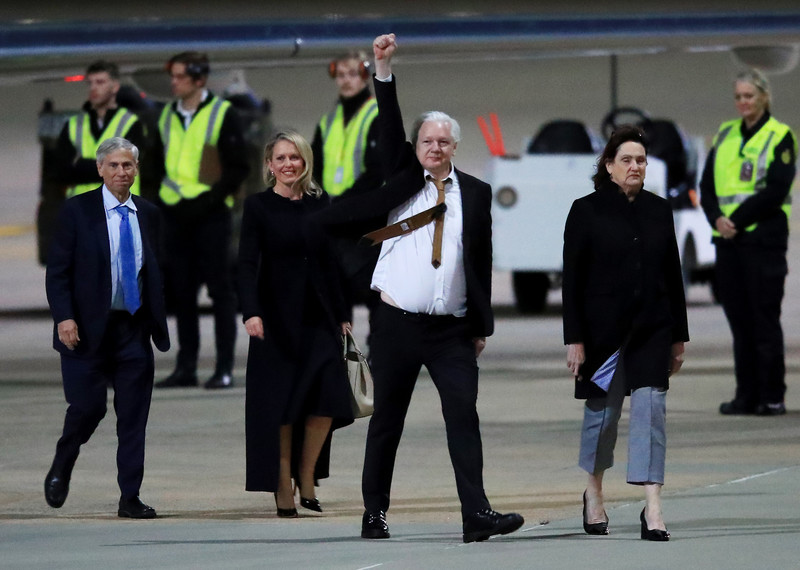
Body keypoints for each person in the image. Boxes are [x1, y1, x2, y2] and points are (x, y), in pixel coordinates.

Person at [317, 33, 524, 543]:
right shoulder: (402, 180)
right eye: (427, 141)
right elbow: (389, 124)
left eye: (444, 142)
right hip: (396, 325)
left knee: (463, 419)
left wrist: (480, 325)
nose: (435, 148)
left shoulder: (474, 193)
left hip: (452, 330)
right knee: (387, 421)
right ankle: (375, 512)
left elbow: (480, 259)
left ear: (456, 147)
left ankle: (476, 515)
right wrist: (382, 72)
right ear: (415, 148)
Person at [563, 125, 689, 541]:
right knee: (603, 417)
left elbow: (673, 273)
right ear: (609, 165)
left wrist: (678, 336)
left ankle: (652, 506)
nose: (635, 167)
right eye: (627, 160)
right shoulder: (585, 211)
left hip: (653, 328)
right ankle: (594, 491)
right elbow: (573, 282)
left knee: (651, 415)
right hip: (602, 336)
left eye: (641, 160)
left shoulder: (658, 209)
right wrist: (575, 339)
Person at [44, 137, 169, 518]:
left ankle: (129, 496)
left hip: (131, 329)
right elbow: (58, 272)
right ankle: (64, 460)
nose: (121, 172)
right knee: (88, 407)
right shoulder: (76, 212)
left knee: (133, 417)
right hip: (85, 329)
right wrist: (64, 317)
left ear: (136, 169)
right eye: (113, 165)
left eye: (127, 165)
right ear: (100, 169)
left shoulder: (148, 213)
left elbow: (154, 271)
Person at [238, 130, 354, 517]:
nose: (289, 164)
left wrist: (343, 315)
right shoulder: (258, 207)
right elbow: (247, 264)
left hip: (318, 317)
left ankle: (307, 476)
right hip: (275, 321)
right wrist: (250, 311)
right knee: (283, 407)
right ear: (269, 166)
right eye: (281, 158)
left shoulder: (322, 205)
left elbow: (333, 264)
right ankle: (281, 481)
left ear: (306, 162)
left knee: (325, 400)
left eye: (296, 158)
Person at [699, 69, 796, 417]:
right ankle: (746, 394)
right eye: (738, 97)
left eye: (749, 96)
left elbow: (776, 190)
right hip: (728, 243)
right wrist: (716, 219)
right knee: (739, 320)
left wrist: (735, 221)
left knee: (764, 319)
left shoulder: (780, 136)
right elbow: (707, 186)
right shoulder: (725, 135)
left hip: (763, 240)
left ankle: (771, 396)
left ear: (764, 97)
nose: (743, 103)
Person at [154, 51, 249, 390]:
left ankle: (223, 367)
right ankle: (186, 366)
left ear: (199, 80)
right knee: (182, 293)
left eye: (180, 76)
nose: (173, 82)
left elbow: (238, 167)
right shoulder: (166, 115)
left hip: (210, 215)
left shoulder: (223, 114)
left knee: (220, 291)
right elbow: (156, 164)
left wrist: (210, 199)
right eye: (173, 76)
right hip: (175, 214)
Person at [311, 50, 383, 348]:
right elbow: (313, 168)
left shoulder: (377, 116)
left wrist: (341, 204)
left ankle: (380, 352)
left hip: (366, 219)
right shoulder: (328, 122)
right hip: (336, 221)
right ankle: (342, 355)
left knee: (375, 293)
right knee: (336, 295)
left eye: (353, 74)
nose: (346, 81)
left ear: (365, 76)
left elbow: (377, 170)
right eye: (341, 75)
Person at [53, 60, 146, 199]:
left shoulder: (130, 124)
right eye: (90, 83)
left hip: (119, 209)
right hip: (82, 209)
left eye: (100, 82)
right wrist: (108, 166)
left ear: (114, 87)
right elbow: (62, 170)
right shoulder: (73, 124)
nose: (93, 88)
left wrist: (80, 165)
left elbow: (125, 170)